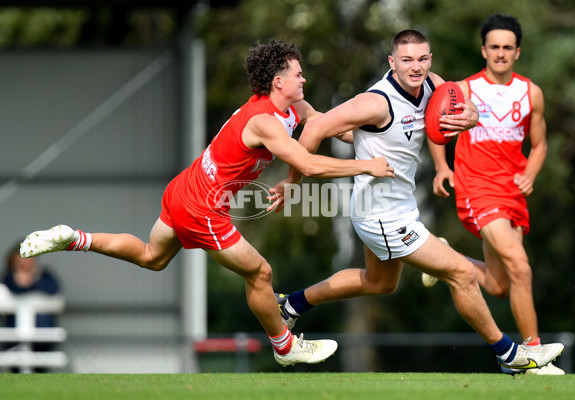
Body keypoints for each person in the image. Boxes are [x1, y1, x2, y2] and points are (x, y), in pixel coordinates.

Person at [19, 39, 395, 367]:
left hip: (184, 188)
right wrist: (368, 165)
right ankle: (285, 346)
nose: (304, 79)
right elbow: (308, 163)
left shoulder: (295, 107)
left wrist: (370, 131)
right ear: (278, 82)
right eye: (298, 74)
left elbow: (328, 126)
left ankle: (74, 237)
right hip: (203, 207)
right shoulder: (264, 121)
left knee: (153, 257)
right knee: (260, 274)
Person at [273, 30, 563, 374]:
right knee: (463, 273)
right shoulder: (376, 102)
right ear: (392, 62)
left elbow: (466, 107)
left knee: (379, 282)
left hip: (398, 206)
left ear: (430, 59)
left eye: (423, 59)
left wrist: (469, 117)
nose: (416, 67)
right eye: (407, 60)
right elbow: (315, 129)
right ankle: (509, 355)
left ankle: (291, 305)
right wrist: (293, 182)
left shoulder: (433, 85)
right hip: (379, 213)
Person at [425, 14, 564, 375]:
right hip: (477, 187)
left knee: (501, 285)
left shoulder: (531, 92)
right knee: (521, 267)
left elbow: (541, 144)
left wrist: (531, 174)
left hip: (511, 191)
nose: (500, 53)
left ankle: (441, 259)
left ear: (517, 52)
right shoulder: (464, 90)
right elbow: (435, 126)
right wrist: (443, 167)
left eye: (507, 47)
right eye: (494, 47)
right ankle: (532, 355)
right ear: (483, 49)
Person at [2, 242, 61, 372]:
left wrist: (30, 283)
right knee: (17, 370)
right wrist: (23, 283)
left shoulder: (44, 275)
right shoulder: (8, 277)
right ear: (14, 259)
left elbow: (53, 288)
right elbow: (13, 288)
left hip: (43, 334)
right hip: (14, 334)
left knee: (41, 370)